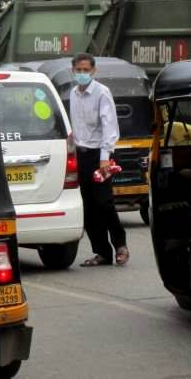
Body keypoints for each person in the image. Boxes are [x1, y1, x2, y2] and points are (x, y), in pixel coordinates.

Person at [68, 53, 128, 267]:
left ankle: (120, 244)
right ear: (72, 71)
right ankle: (102, 252)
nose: (82, 74)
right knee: (88, 207)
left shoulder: (102, 93)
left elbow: (109, 127)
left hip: (100, 155)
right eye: (79, 70)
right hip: (81, 155)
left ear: (94, 71)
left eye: (86, 70)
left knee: (104, 202)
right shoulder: (73, 94)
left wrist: (104, 159)